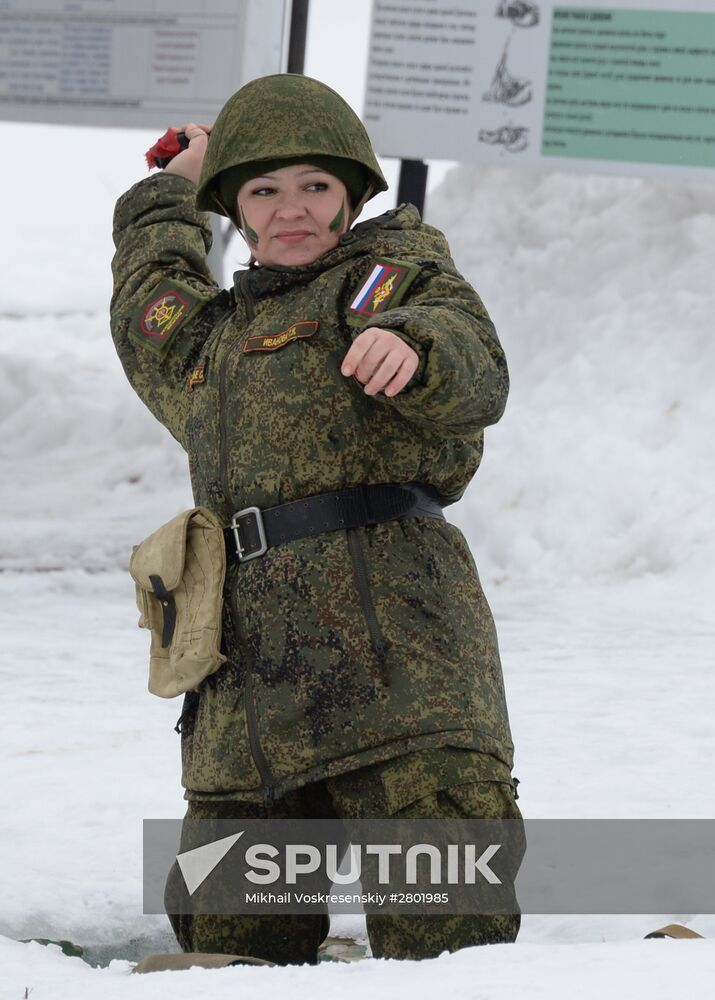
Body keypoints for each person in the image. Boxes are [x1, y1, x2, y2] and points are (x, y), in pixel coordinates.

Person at [111, 73, 523, 964]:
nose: (289, 209)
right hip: (249, 694)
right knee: (226, 946)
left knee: (447, 932)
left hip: (400, 669)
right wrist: (175, 187)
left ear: (350, 195)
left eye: (313, 186)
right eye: (262, 189)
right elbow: (148, 296)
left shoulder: (382, 281)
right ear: (237, 210)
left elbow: (467, 351)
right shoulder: (209, 342)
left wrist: (411, 347)